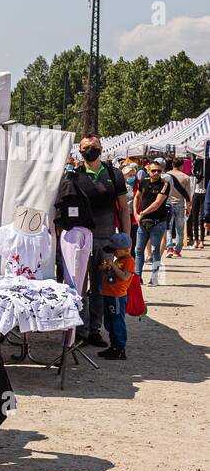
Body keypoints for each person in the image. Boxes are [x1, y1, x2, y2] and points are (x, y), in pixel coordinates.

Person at [55, 135, 129, 347]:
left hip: (105, 239)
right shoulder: (73, 175)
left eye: (94, 147)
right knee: (77, 286)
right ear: (80, 150)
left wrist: (125, 241)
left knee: (99, 287)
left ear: (101, 148)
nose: (90, 150)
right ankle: (80, 330)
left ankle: (95, 330)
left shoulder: (113, 174)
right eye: (86, 147)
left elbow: (124, 208)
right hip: (79, 239)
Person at [98, 232, 134, 360]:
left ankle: (120, 348)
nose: (113, 253)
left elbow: (125, 277)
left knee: (117, 323)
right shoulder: (119, 260)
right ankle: (113, 346)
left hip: (117, 297)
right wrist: (107, 268)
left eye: (115, 251)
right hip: (109, 295)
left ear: (126, 249)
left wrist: (113, 265)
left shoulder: (129, 261)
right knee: (109, 322)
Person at [132, 161, 170, 283]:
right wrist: (136, 213)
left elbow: (157, 203)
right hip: (143, 222)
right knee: (138, 249)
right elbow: (137, 197)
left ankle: (154, 277)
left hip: (158, 222)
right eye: (153, 171)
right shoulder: (143, 182)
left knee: (155, 249)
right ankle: (138, 277)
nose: (156, 173)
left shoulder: (165, 184)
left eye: (159, 171)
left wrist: (142, 213)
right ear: (148, 171)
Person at [162, 158, 193, 258]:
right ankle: (177, 250)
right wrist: (188, 208)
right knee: (180, 229)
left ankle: (169, 247)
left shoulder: (165, 176)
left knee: (168, 228)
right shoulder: (186, 177)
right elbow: (188, 195)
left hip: (168, 204)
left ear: (172, 165)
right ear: (181, 166)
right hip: (180, 204)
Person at [190, 156, 207, 250]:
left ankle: (202, 241)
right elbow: (192, 186)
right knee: (194, 218)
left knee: (201, 219)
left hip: (204, 194)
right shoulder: (194, 175)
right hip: (196, 194)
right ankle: (196, 240)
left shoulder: (206, 173)